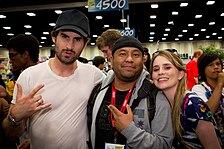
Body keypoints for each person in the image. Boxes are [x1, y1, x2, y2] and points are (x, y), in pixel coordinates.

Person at [2, 9, 105, 149]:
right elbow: (11, 134)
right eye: (65, 37)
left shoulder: (95, 76)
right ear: (53, 37)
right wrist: (15, 117)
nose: (69, 46)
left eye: (77, 39)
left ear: (85, 43)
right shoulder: (29, 76)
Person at [89, 36, 173, 149]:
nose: (129, 59)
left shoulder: (156, 97)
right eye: (122, 54)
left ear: (143, 60)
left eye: (136, 55)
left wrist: (129, 130)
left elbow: (164, 144)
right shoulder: (97, 91)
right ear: (111, 59)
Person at [150, 50, 222, 148]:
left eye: (167, 67)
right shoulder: (161, 103)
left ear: (180, 74)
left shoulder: (193, 104)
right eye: (156, 69)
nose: (160, 72)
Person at [192, 52, 224, 144]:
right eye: (210, 65)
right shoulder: (198, 89)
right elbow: (207, 112)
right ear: (203, 69)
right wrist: (220, 84)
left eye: (218, 64)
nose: (216, 67)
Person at [5, 34, 40, 99]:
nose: (10, 60)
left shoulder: (27, 77)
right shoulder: (25, 76)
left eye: (12, 55)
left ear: (25, 54)